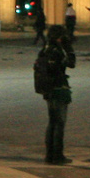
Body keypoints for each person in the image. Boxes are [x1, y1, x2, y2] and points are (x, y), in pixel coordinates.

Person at [34, 24, 77, 164]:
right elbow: (71, 63)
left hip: (47, 88)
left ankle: (49, 154)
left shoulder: (45, 49)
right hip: (59, 87)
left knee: (52, 121)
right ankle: (57, 155)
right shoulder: (59, 50)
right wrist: (68, 47)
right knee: (59, 122)